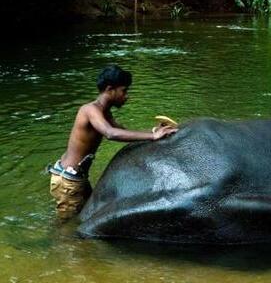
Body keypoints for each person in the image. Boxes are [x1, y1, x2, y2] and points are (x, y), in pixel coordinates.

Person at [48, 65, 177, 219]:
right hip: (68, 180)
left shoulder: (104, 113)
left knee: (86, 217)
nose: (126, 96)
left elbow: (123, 131)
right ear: (110, 89)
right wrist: (153, 137)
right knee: (68, 225)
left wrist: (154, 132)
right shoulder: (89, 110)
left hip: (76, 178)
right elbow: (110, 133)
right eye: (124, 91)